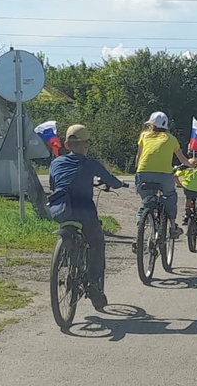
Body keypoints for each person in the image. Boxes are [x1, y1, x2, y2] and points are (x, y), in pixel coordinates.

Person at [48, 124, 124, 310]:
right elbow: (111, 180)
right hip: (84, 210)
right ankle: (91, 281)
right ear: (86, 145)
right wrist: (119, 184)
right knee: (97, 242)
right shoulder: (90, 164)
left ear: (66, 144)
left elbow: (52, 184)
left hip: (61, 209)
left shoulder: (56, 163)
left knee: (73, 233)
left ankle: (67, 256)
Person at [134, 112, 195, 245]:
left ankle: (140, 226)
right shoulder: (171, 138)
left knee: (146, 201)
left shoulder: (143, 135)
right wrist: (191, 165)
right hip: (164, 176)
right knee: (170, 197)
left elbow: (138, 157)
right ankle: (173, 227)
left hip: (143, 173)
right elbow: (182, 158)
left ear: (151, 124)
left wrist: (139, 170)